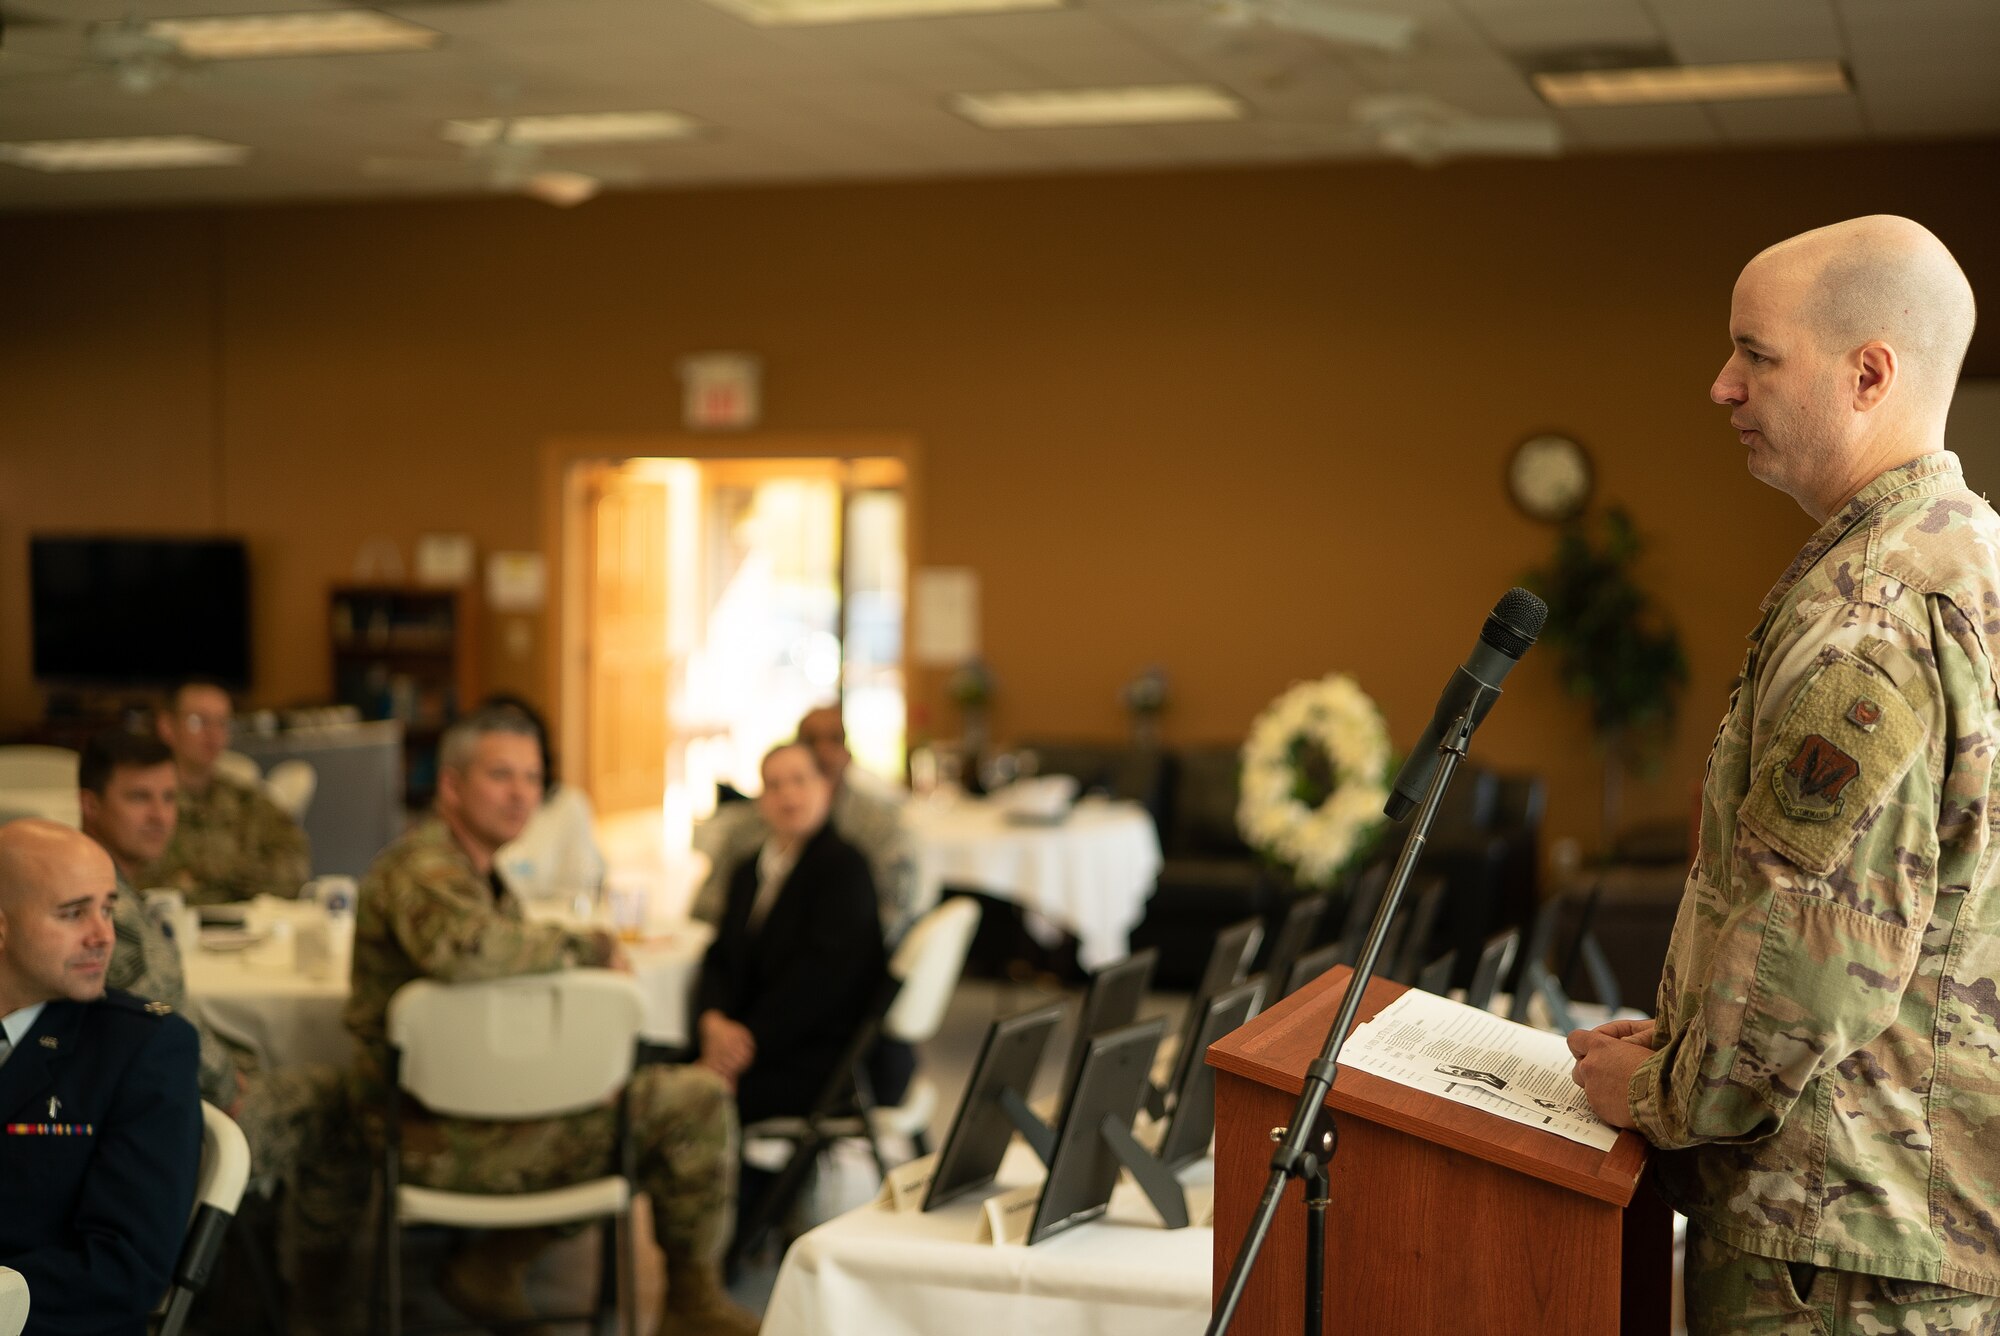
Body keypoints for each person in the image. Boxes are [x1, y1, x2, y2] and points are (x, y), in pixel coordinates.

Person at [1567, 216, 1999, 1333]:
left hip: (1834, 1252)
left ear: (1867, 374)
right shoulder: (1971, 558)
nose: (1719, 387)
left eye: (1754, 355)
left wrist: (1664, 1092)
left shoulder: (1872, 615)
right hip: (1914, 1211)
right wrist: (1680, 1038)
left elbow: (1816, 955)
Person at [346, 707, 757, 1336]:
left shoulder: (479, 870)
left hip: (479, 1115)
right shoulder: (423, 869)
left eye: (533, 779)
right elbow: (469, 950)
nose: (522, 795)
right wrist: (589, 946)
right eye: (501, 776)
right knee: (692, 1102)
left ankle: (497, 1263)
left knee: (650, 1100)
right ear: (451, 786)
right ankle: (689, 1305)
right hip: (428, 1133)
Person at [78, 729, 364, 1330]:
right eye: (139, 799)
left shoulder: (110, 888)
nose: (160, 817)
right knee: (342, 1102)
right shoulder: (105, 911)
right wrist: (227, 1080)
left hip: (153, 1103)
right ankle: (314, 1311)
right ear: (90, 804)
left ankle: (243, 1277)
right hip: (167, 1127)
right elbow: (154, 1028)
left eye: (169, 798)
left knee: (275, 1067)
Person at [0, 819, 202, 1336]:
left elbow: (124, 1268)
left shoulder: (141, 1048)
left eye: (108, 907)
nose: (103, 935)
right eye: (73, 913)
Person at [694, 741, 889, 1124]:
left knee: (687, 1100)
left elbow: (821, 983)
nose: (788, 795)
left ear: (825, 788)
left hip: (814, 1055)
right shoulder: (748, 870)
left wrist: (743, 1047)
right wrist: (712, 1022)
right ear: (761, 800)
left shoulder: (845, 869)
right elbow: (721, 956)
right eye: (774, 785)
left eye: (799, 781)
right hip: (749, 1042)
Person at [694, 705, 918, 943]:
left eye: (833, 740)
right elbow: (709, 909)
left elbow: (892, 915)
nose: (823, 751)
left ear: (848, 753)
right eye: (811, 741)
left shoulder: (874, 828)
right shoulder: (751, 832)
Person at [150, 680, 311, 904]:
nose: (213, 734)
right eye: (199, 721)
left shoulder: (248, 801)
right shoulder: (147, 801)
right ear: (167, 726)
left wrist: (213, 875)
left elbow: (296, 865)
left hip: (244, 928)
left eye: (222, 723)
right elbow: (136, 878)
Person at [483, 693, 609, 902]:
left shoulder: (568, 805)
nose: (518, 792)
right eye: (501, 773)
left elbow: (582, 891)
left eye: (531, 776)